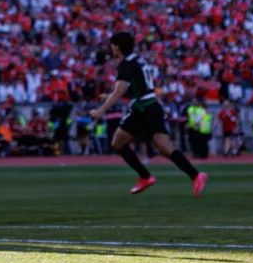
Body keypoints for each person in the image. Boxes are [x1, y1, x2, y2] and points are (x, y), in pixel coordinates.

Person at [86, 32, 207, 195]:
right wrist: (109, 97)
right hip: (152, 106)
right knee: (165, 148)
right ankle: (196, 176)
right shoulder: (138, 61)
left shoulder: (125, 65)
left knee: (117, 143)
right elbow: (136, 89)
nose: (111, 48)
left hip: (141, 108)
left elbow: (120, 91)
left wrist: (100, 110)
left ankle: (145, 176)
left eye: (112, 45)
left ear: (118, 47)